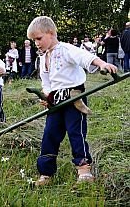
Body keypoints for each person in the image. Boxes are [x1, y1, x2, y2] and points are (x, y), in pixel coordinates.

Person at [26, 16, 118, 186]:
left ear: (52, 33)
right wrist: (47, 97)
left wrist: (102, 64)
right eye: (34, 41)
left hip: (74, 97)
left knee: (76, 133)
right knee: (50, 135)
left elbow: (85, 57)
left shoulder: (66, 49)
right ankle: (46, 173)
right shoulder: (42, 59)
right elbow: (46, 83)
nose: (36, 43)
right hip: (56, 101)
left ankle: (84, 170)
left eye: (39, 38)